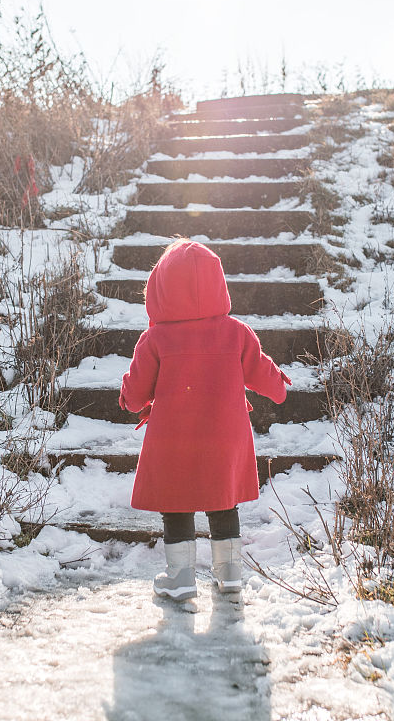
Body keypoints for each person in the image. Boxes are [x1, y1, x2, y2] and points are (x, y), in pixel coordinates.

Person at [118, 239, 291, 600]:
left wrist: (130, 398)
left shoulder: (156, 338)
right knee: (223, 500)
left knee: (176, 503)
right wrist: (278, 385)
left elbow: (134, 395)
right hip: (224, 437)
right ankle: (229, 573)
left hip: (173, 439)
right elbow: (263, 373)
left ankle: (180, 577)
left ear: (161, 288)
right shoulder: (236, 332)